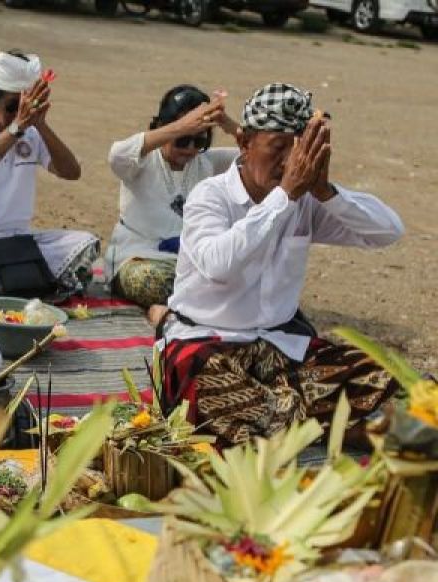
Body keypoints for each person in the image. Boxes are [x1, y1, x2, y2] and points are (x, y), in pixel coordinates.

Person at [159, 83, 404, 447]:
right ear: (244, 142)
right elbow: (218, 265)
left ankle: (281, 425)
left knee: (389, 375)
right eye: (277, 149)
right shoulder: (210, 196)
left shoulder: (306, 197)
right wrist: (283, 197)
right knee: (205, 385)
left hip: (277, 349)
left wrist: (325, 192)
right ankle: (330, 429)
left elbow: (387, 232)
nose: (290, 163)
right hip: (207, 343)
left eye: (298, 150)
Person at [0, 50, 99, 297]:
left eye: (26, 108)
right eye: (12, 108)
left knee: (83, 243)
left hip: (17, 243)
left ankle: (6, 281)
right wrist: (17, 128)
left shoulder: (32, 131)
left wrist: (40, 124)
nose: (20, 116)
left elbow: (72, 172)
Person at [106, 85, 239, 313]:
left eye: (199, 141)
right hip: (140, 260)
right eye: (182, 140)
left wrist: (227, 124)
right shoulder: (141, 161)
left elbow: (261, 155)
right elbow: (116, 155)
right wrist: (180, 127)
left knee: (240, 274)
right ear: (162, 128)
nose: (189, 149)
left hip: (189, 265)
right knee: (151, 280)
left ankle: (172, 312)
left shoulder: (207, 163)